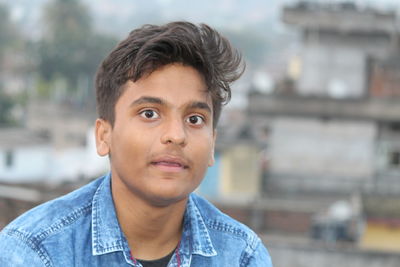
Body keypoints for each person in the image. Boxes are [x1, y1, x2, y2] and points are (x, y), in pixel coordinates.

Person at [0, 21, 272, 267]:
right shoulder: (35, 252)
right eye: (149, 113)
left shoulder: (240, 255)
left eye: (195, 118)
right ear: (104, 135)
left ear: (212, 144)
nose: (176, 135)